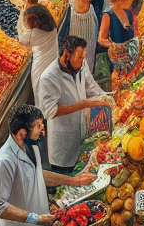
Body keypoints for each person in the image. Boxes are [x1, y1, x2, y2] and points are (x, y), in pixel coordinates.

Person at [38, 34, 115, 175]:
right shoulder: (49, 77)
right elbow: (49, 112)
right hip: (63, 148)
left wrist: (106, 98)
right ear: (67, 54)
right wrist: (84, 104)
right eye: (79, 57)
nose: (82, 60)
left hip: (82, 137)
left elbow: (91, 87)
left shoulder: (81, 65)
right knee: (64, 184)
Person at [98, 0, 139, 89]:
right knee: (118, 83)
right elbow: (101, 39)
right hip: (117, 60)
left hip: (131, 56)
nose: (130, 1)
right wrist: (112, 46)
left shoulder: (128, 12)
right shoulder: (108, 15)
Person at [57, 0, 100, 77]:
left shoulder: (92, 10)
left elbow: (96, 29)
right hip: (73, 54)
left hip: (88, 51)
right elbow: (61, 36)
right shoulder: (70, 12)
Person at [18, 3, 59, 101]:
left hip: (40, 68)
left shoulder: (35, 33)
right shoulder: (52, 27)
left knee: (41, 95)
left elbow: (22, 40)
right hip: (53, 63)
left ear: (35, 22)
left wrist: (20, 19)